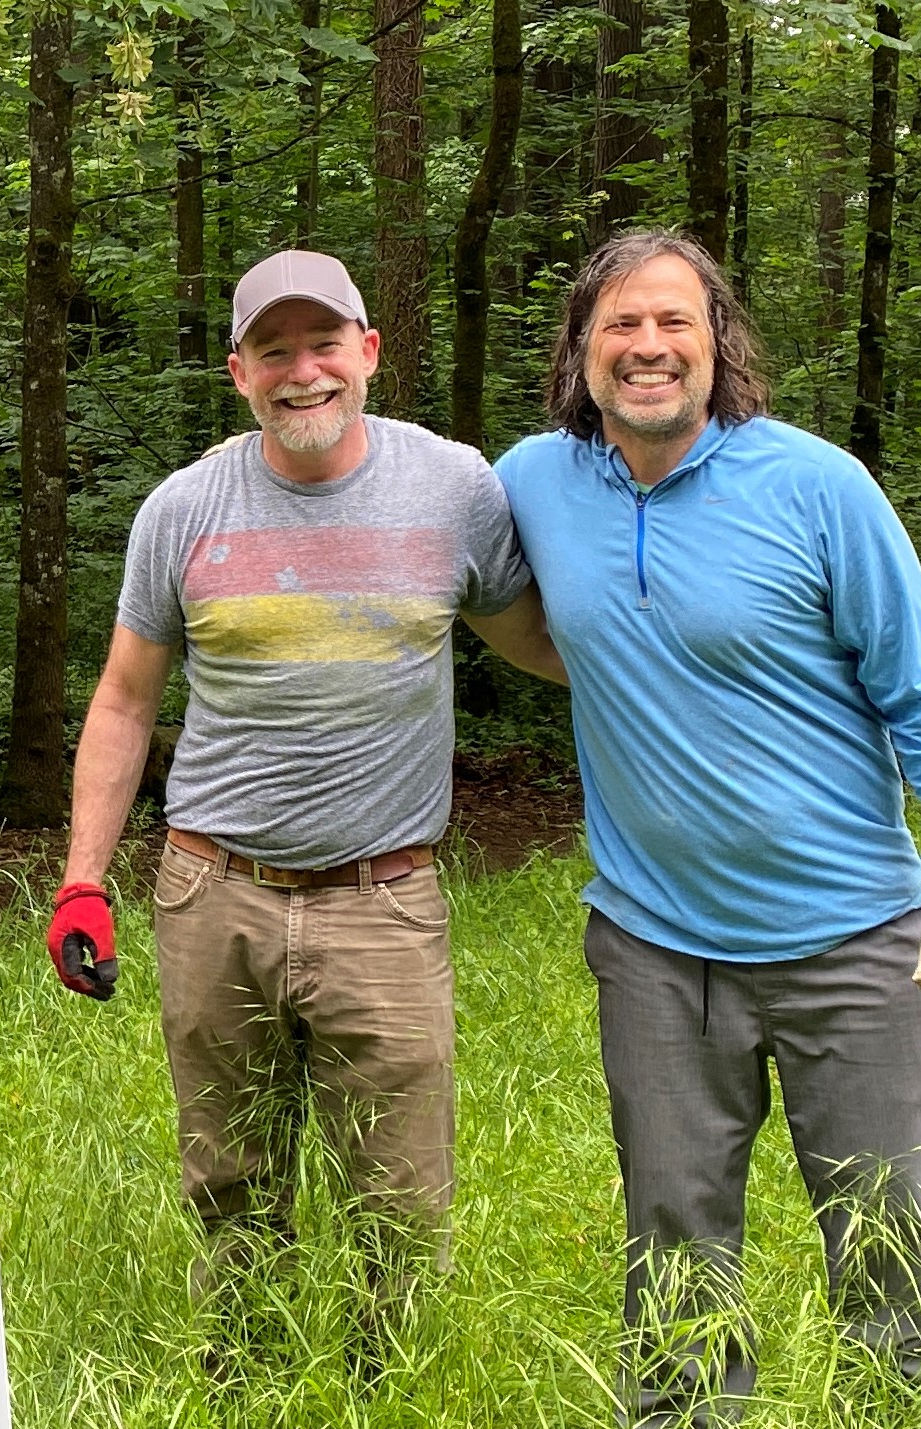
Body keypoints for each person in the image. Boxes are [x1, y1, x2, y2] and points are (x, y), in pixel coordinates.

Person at [495, 229, 921, 1429]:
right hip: (655, 947)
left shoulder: (819, 488)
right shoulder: (530, 482)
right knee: (672, 1229)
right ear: (579, 348)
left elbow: (919, 686)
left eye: (673, 321)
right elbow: (458, 577)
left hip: (853, 942)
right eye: (619, 324)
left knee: (888, 1226)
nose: (647, 347)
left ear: (720, 340)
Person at [46, 249, 565, 1349]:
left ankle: (389, 1402)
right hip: (212, 892)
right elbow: (125, 699)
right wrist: (80, 883)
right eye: (273, 351)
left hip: (381, 899)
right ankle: (248, 1390)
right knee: (231, 1182)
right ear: (237, 372)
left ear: (368, 352)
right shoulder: (183, 509)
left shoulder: (452, 490)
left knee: (400, 1194)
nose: (302, 373)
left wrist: (698, 660)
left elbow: (543, 645)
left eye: (323, 344)